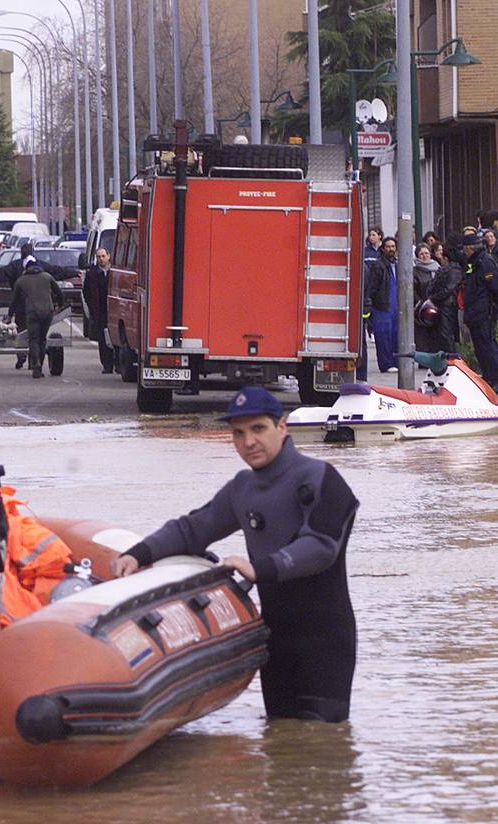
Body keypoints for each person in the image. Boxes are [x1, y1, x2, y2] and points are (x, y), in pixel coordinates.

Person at [110, 387, 359, 723]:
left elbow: (321, 547)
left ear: (281, 427)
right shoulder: (242, 488)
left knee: (323, 747)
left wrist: (260, 568)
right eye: (238, 433)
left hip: (325, 642)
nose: (248, 442)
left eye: (258, 429)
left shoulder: (322, 477)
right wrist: (138, 553)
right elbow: (192, 529)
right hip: (274, 641)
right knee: (282, 744)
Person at [5, 257, 64, 378]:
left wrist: (9, 316)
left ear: (26, 268)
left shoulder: (21, 281)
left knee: (34, 339)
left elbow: (14, 302)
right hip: (48, 311)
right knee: (42, 339)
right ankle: (40, 367)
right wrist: (59, 305)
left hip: (32, 313)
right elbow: (59, 293)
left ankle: (36, 364)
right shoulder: (47, 276)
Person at [460, 231, 498, 387]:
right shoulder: (473, 263)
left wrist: (491, 312)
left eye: (465, 248)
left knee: (487, 346)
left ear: (470, 248)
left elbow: (494, 288)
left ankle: (495, 378)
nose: (463, 252)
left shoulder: (485, 262)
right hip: (475, 314)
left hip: (484, 313)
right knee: (480, 348)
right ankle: (489, 377)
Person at [363, 236, 399, 373]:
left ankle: (396, 361)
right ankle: (386, 364)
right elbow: (372, 288)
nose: (391, 249)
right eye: (388, 246)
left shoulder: (397, 265)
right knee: (384, 336)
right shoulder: (378, 266)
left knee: (396, 335)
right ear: (383, 249)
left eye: (393, 246)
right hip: (382, 307)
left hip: (395, 307)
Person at [424, 238, 463, 354]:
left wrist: (433, 297)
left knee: (447, 333)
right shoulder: (446, 270)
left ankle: (452, 357)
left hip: (447, 305)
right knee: (442, 333)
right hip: (442, 305)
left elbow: (448, 289)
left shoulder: (454, 271)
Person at [84, 247, 115, 373]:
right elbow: (86, 292)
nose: (101, 259)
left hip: (114, 311)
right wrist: (92, 307)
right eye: (98, 257)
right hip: (100, 312)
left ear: (108, 256)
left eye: (103, 256)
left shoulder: (114, 272)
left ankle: (118, 364)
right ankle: (107, 366)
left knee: (115, 339)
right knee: (103, 340)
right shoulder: (92, 274)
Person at [413, 243, 441, 354]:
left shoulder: (438, 268)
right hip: (421, 308)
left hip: (437, 306)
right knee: (423, 334)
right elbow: (413, 289)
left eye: (426, 253)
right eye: (421, 254)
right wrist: (421, 302)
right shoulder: (415, 271)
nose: (424, 256)